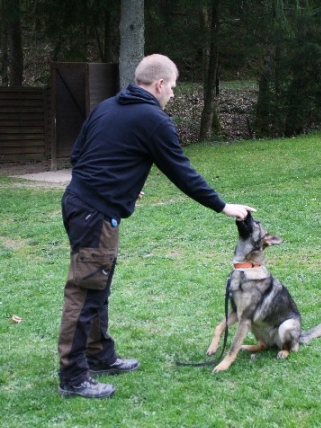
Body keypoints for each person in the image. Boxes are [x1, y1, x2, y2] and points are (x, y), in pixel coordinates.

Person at [58, 54, 256, 399]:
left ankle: (99, 355)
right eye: (174, 87)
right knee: (86, 290)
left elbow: (79, 156)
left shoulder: (106, 107)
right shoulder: (153, 120)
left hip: (81, 204)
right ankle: (74, 377)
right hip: (95, 213)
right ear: (160, 84)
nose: (174, 95)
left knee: (97, 284)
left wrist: (119, 183)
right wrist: (224, 207)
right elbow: (182, 172)